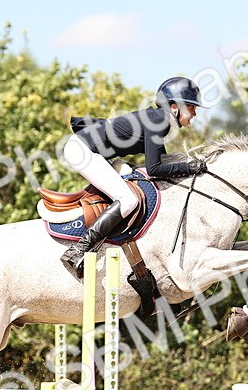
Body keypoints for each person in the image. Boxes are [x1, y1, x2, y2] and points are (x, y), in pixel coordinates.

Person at [59, 76, 208, 277]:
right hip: (83, 150)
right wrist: (190, 168)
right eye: (191, 108)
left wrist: (188, 164)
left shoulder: (157, 119)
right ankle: (77, 251)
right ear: (174, 107)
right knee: (128, 200)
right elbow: (155, 169)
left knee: (131, 178)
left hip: (90, 149)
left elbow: (161, 161)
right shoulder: (159, 121)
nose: (194, 114)